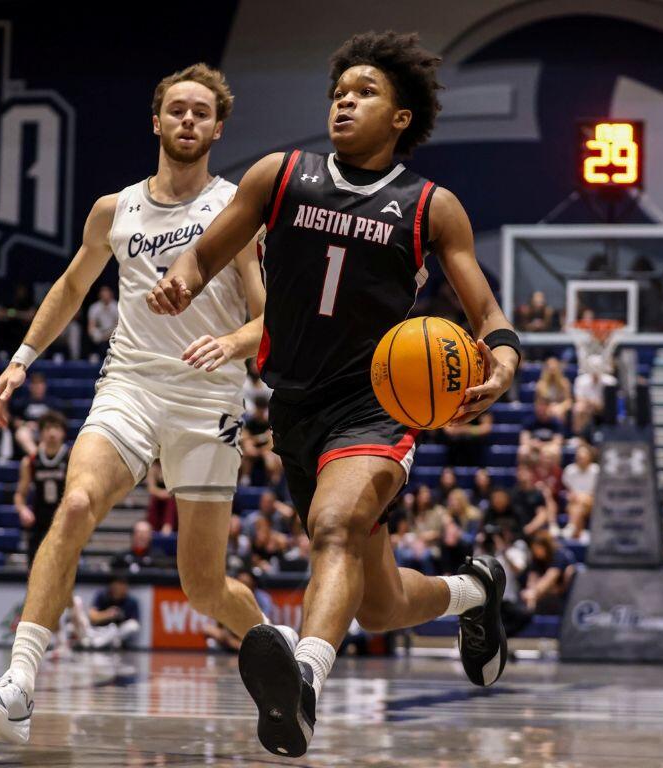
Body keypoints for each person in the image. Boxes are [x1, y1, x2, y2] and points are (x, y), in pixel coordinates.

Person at [148, 32, 518, 757]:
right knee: (379, 606)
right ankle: (477, 592)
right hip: (294, 406)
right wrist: (181, 281)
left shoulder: (431, 206)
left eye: (364, 93)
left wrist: (501, 361)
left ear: (401, 117)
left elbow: (488, 314)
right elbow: (205, 254)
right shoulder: (280, 174)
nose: (344, 102)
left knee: (334, 527)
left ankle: (305, 683)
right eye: (339, 93)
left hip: (376, 403)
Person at [0, 63, 278, 744]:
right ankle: (19, 685)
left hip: (208, 397)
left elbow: (269, 321)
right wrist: (20, 360)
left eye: (201, 112)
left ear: (218, 129)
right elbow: (73, 287)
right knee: (75, 504)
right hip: (130, 384)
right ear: (156, 121)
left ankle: (276, 648)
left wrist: (230, 344)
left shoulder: (235, 210)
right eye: (177, 110)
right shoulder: (115, 209)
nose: (188, 120)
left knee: (202, 586)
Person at [14, 411, 69, 565]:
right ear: (41, 433)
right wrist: (23, 510)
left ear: (63, 433)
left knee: (63, 567)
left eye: (56, 428)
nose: (52, 433)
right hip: (39, 518)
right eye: (47, 428)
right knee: (34, 565)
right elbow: (19, 494)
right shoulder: (31, 461)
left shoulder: (71, 457)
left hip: (64, 518)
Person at [68, 570, 140, 650]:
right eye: (118, 584)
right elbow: (92, 617)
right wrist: (108, 614)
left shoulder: (131, 601)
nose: (121, 588)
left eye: (123, 585)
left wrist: (118, 618)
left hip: (115, 633)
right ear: (112, 585)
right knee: (76, 608)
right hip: (97, 630)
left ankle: (95, 644)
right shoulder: (102, 596)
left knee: (131, 626)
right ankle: (97, 643)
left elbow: (134, 623)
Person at [86, 285, 119, 359]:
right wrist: (96, 334)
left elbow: (118, 324)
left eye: (106, 293)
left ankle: (114, 356)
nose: (105, 296)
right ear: (100, 295)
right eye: (103, 294)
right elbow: (91, 326)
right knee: (95, 334)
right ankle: (95, 355)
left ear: (111, 294)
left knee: (117, 332)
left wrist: (108, 335)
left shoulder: (116, 306)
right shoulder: (94, 307)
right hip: (100, 332)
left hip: (112, 331)